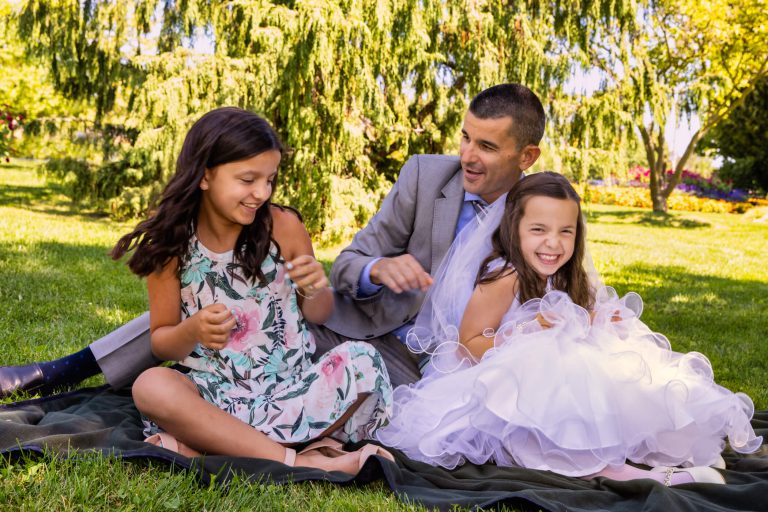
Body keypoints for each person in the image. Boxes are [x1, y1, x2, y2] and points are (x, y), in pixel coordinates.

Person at [0, 83, 547, 394]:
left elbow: (560, 296)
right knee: (219, 299)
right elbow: (354, 261)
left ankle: (75, 370)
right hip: (367, 332)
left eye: (487, 148)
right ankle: (62, 370)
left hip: (440, 366)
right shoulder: (429, 176)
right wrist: (377, 269)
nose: (468, 156)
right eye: (465, 138)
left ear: (526, 158)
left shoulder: (545, 211)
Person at [375, 172, 762, 485]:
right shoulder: (504, 275)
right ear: (515, 229)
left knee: (616, 363)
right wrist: (529, 331)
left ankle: (661, 450)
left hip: (556, 383)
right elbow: (468, 344)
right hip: (498, 389)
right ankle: (633, 475)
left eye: (566, 232)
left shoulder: (566, 277)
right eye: (539, 230)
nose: (553, 244)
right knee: (558, 363)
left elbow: (575, 322)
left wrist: (593, 321)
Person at [109, 107, 393, 473]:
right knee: (150, 385)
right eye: (247, 179)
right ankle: (299, 459)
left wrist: (315, 287)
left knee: (363, 359)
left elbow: (318, 314)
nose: (261, 192)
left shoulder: (284, 227)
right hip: (215, 396)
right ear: (205, 175)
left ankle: (216, 447)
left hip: (290, 391)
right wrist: (193, 329)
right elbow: (161, 342)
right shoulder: (172, 247)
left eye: (270, 180)